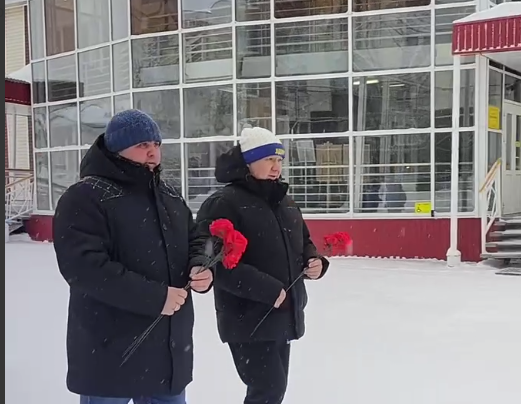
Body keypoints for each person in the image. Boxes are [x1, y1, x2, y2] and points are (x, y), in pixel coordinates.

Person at [52, 110, 213, 404]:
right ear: (117, 148)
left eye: (156, 144)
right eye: (142, 145)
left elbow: (196, 239)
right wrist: (155, 297)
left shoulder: (169, 195)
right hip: (110, 352)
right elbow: (84, 267)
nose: (153, 152)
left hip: (167, 354)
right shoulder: (85, 196)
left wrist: (201, 264)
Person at [196, 126, 330, 404]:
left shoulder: (285, 202)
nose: (276, 166)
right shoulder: (223, 203)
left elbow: (303, 241)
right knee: (268, 391)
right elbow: (212, 262)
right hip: (248, 318)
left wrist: (314, 260)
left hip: (284, 313)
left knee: (273, 391)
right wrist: (266, 289)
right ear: (248, 161)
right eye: (269, 159)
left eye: (279, 160)